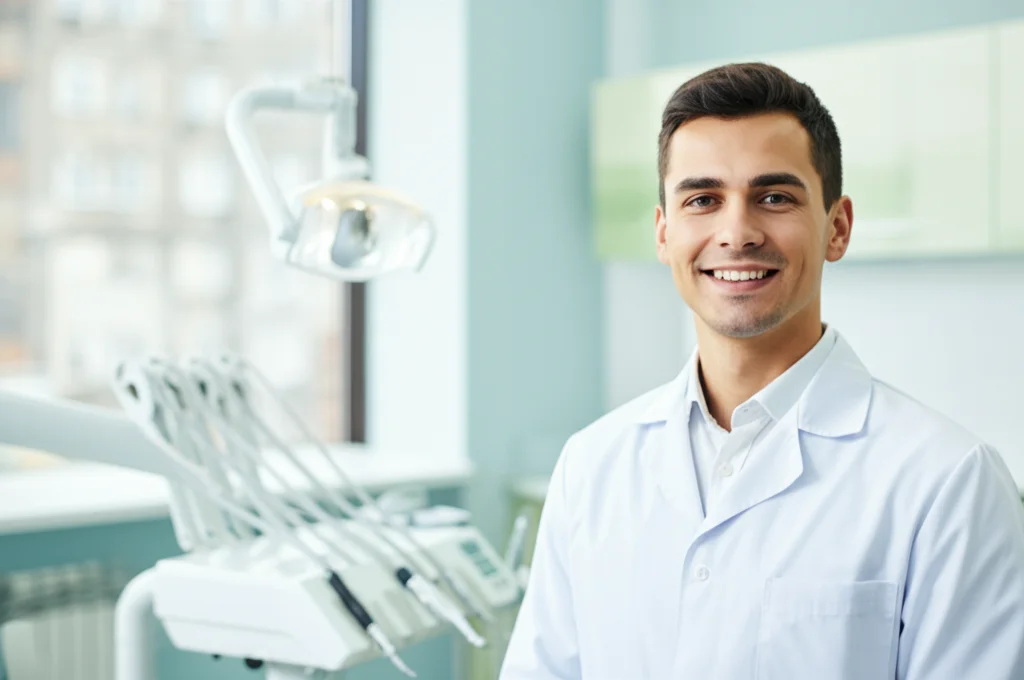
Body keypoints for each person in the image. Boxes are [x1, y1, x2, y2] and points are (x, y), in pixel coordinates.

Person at [499, 62, 1024, 679]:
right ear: (664, 233)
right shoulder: (590, 468)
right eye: (703, 199)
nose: (737, 232)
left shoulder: (949, 483)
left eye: (774, 197)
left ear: (838, 227)